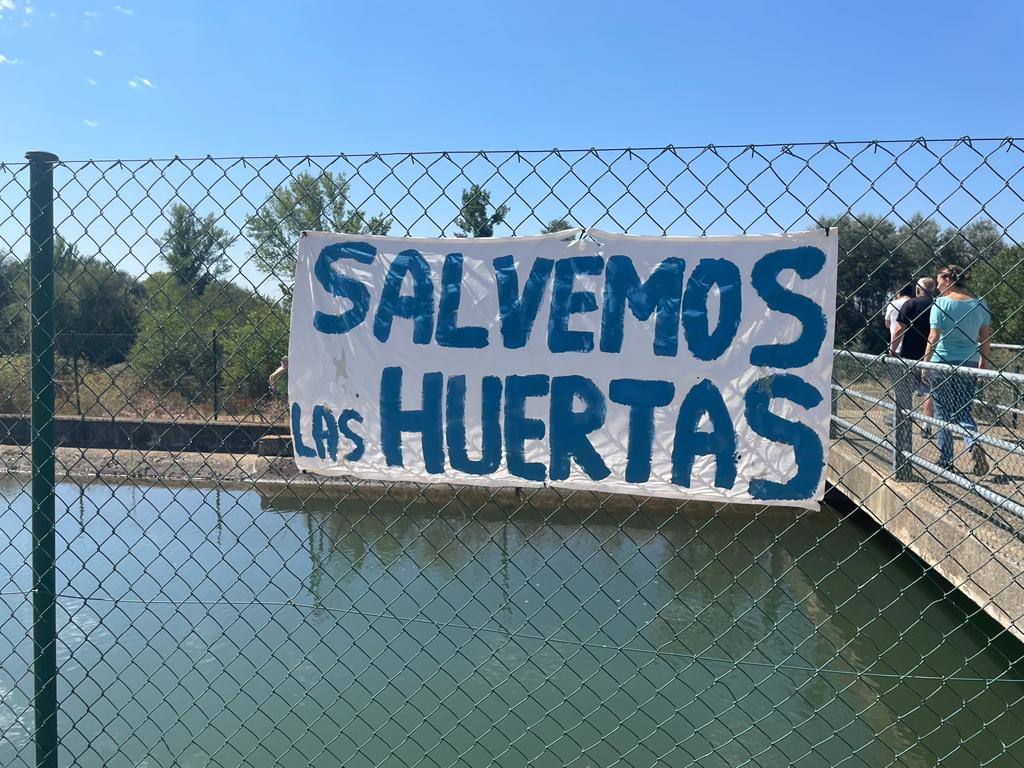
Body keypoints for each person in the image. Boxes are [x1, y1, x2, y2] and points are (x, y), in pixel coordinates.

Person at [923, 265, 991, 474]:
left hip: (942, 362)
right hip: (969, 363)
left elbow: (933, 337)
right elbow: (985, 338)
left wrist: (926, 363)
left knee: (943, 413)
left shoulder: (941, 304)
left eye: (939, 281)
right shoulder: (980, 304)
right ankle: (973, 444)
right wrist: (983, 363)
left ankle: (946, 460)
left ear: (947, 279)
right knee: (964, 411)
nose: (937, 286)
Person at [890, 277, 936, 436]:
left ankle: (902, 421)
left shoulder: (910, 304)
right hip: (930, 355)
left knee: (904, 390)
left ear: (917, 289)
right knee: (929, 391)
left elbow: (898, 329)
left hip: (909, 354)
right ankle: (927, 424)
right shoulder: (938, 305)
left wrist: (892, 350)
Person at [885, 283, 916, 352]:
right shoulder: (915, 304)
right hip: (913, 345)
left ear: (899, 292)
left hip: (895, 344)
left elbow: (887, 324)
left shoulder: (893, 304)